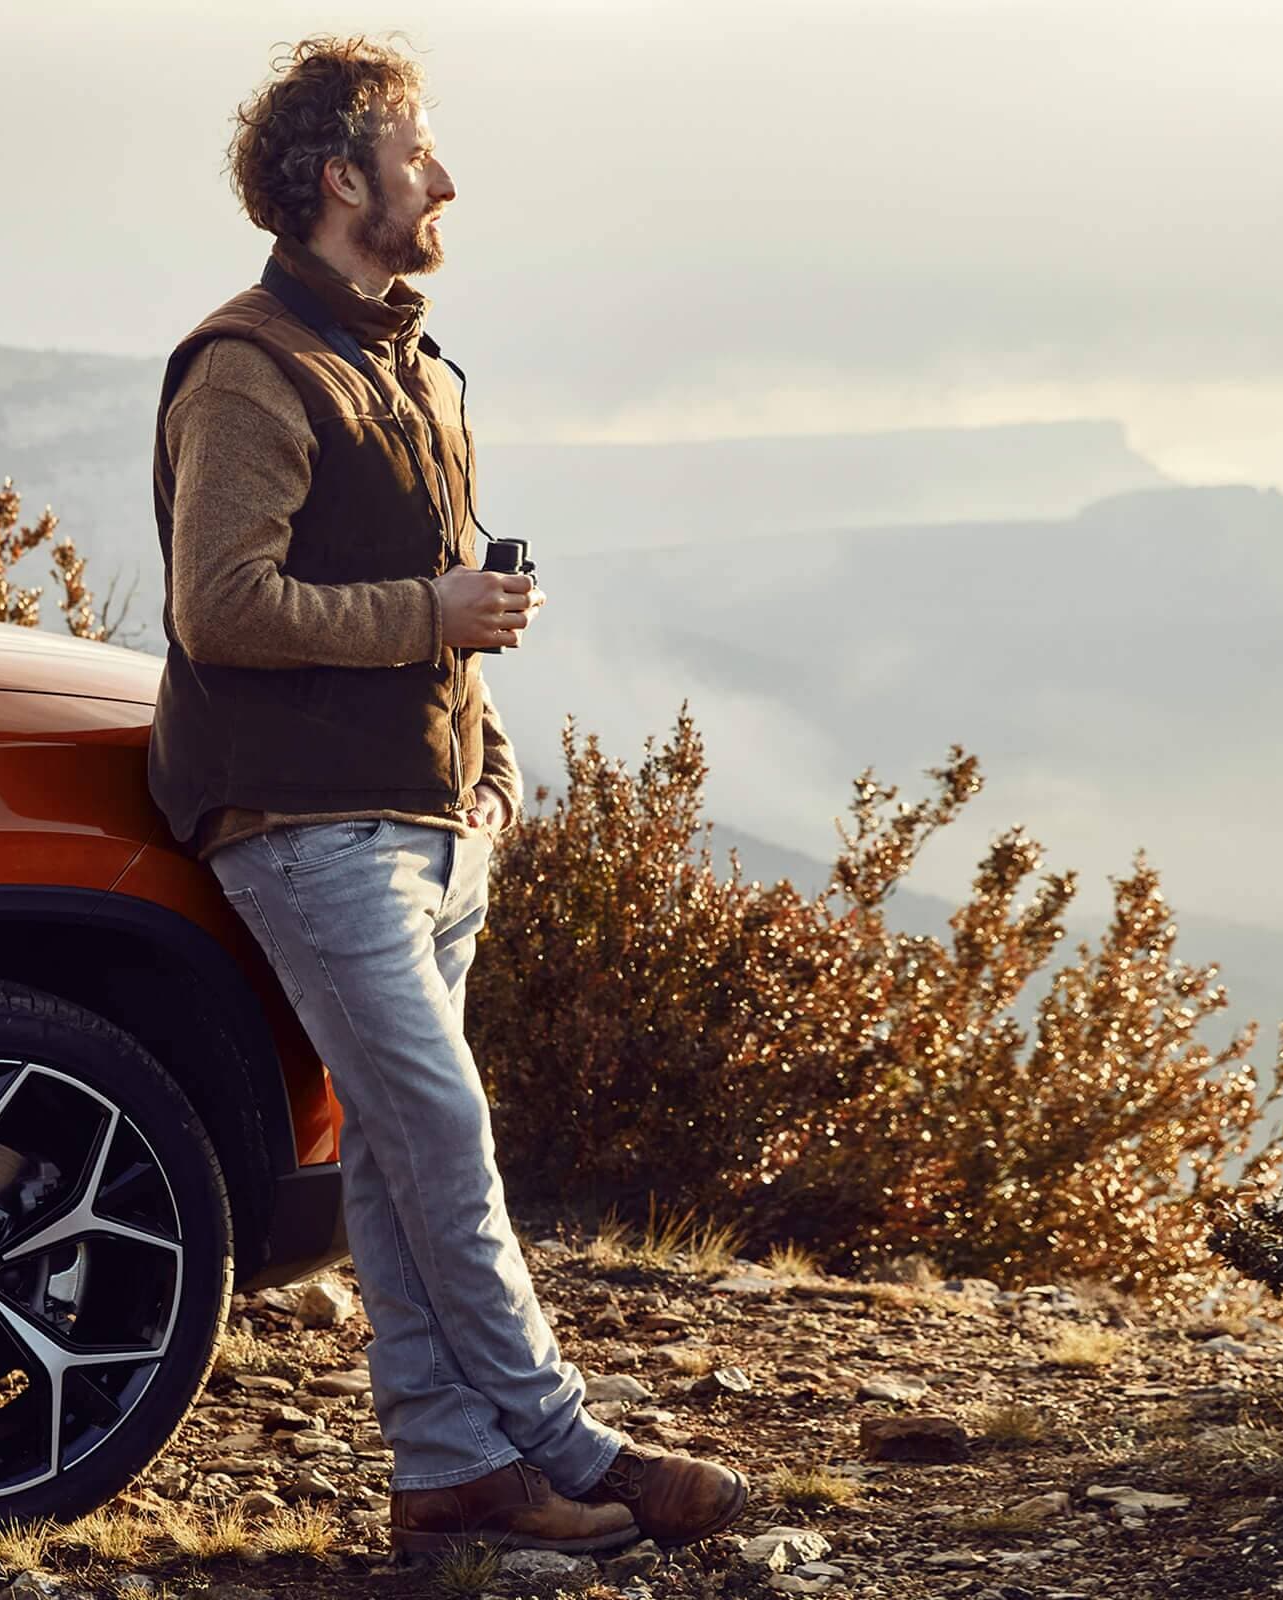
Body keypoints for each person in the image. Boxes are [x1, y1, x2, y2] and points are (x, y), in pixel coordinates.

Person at [147, 34, 752, 1559]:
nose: (448, 182)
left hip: (429, 819)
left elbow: (452, 596)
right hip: (300, 824)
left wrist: (486, 763)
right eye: (421, 158)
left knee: (402, 1156)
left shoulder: (411, 362)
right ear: (342, 180)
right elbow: (223, 606)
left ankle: (452, 1474)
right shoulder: (250, 368)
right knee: (441, 1132)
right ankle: (568, 1439)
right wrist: (438, 616)